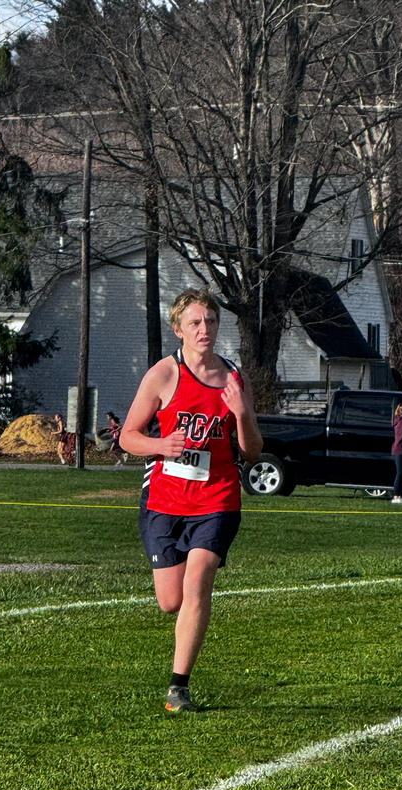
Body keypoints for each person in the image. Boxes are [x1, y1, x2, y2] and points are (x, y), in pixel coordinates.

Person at [120, 289, 262, 712]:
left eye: (211, 321)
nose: (205, 330)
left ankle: (178, 688)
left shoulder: (235, 380)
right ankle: (179, 673)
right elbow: (128, 436)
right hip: (164, 500)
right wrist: (162, 445)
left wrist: (241, 414)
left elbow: (252, 451)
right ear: (178, 328)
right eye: (196, 323)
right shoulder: (164, 375)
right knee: (171, 601)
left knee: (199, 579)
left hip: (217, 499)